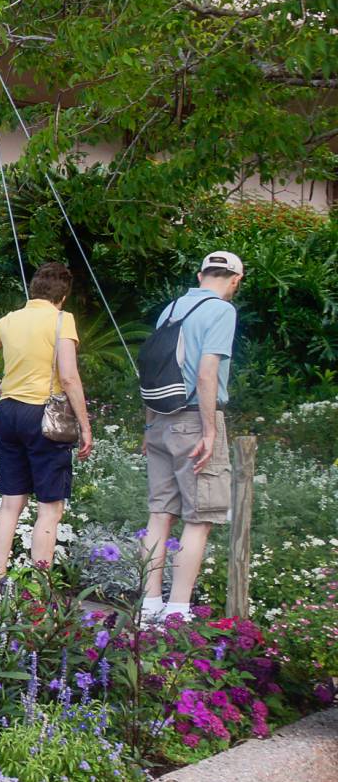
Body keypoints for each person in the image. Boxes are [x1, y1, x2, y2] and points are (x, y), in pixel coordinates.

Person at [0, 261, 94, 574]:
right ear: (63, 295)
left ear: (33, 289)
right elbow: (70, 377)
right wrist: (85, 427)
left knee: (11, 503)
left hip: (9, 411)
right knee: (50, 507)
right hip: (45, 415)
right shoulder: (62, 320)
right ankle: (40, 585)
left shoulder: (10, 320)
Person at [140, 250, 244, 623]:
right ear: (235, 280)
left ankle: (148, 606)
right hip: (194, 420)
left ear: (201, 275)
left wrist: (147, 425)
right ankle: (178, 610)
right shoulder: (222, 311)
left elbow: (152, 371)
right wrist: (211, 430)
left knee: (159, 514)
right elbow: (206, 373)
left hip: (160, 420)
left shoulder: (170, 310)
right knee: (200, 516)